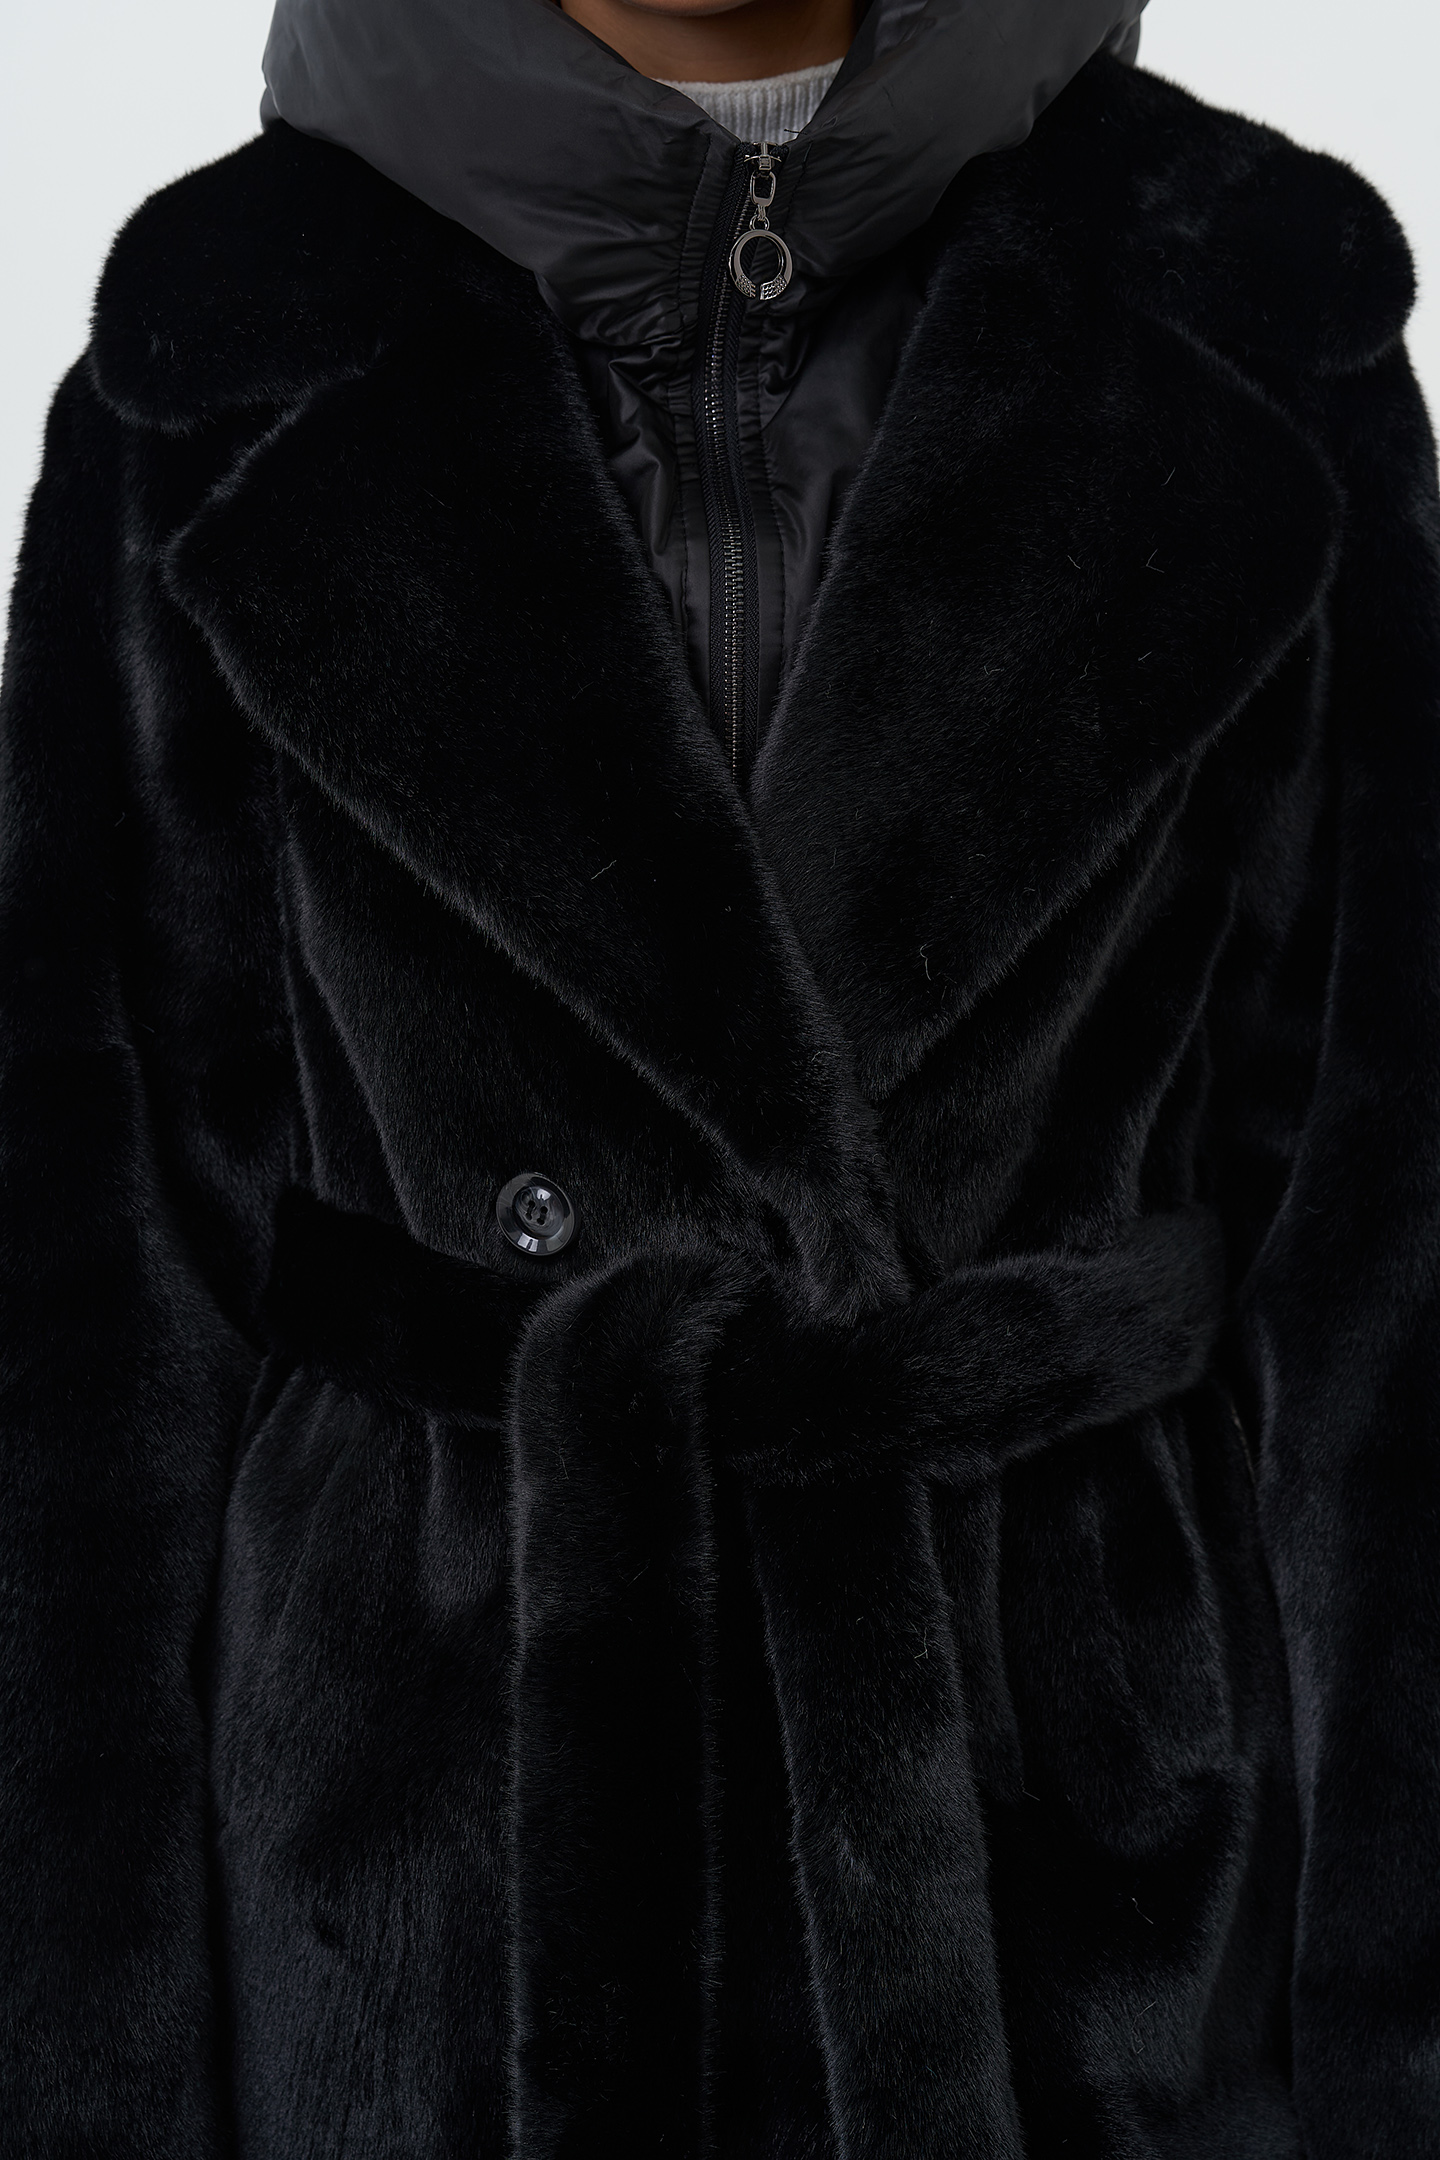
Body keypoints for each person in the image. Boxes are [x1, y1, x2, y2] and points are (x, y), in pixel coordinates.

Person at [1, 0, 1437, 2151]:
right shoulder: (216, 365)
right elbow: (85, 1338)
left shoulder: (1241, 315)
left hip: (1102, 1912)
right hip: (414, 1925)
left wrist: (1393, 2053)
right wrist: (86, 2083)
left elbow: (1388, 1284)